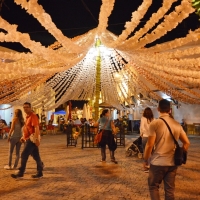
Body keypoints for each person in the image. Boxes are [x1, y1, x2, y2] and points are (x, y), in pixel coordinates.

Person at [143, 99, 190, 200]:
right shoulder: (177, 124)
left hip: (158, 163)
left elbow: (150, 145)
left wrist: (146, 160)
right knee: (169, 190)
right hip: (172, 163)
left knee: (153, 187)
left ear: (158, 109)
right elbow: (187, 143)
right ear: (170, 110)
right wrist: (180, 153)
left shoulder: (155, 124)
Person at [11, 102, 43, 179]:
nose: (25, 108)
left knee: (24, 155)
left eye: (27, 107)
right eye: (24, 107)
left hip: (31, 140)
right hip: (27, 139)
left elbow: (36, 128)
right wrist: (23, 137)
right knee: (36, 157)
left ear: (30, 108)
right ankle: (40, 173)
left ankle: (21, 172)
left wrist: (36, 139)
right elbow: (27, 128)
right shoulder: (27, 116)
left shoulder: (33, 116)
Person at [140, 107, 154, 172]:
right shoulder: (153, 119)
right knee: (151, 151)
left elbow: (142, 128)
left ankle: (146, 166)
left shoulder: (143, 119)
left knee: (145, 151)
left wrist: (142, 134)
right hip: (152, 136)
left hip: (145, 136)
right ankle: (150, 165)